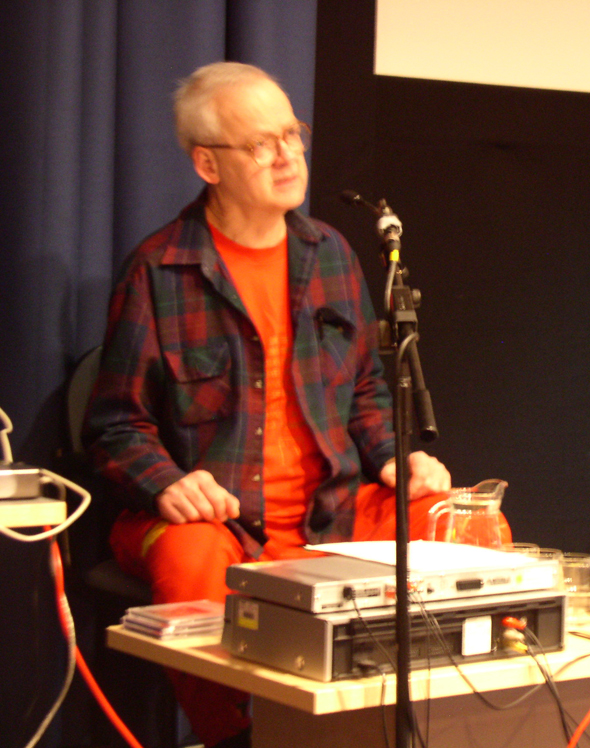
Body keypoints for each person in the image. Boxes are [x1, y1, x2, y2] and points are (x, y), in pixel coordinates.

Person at [84, 61, 510, 748]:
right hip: (220, 524)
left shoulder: (333, 255)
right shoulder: (158, 269)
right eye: (261, 143)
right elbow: (113, 426)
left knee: (460, 521)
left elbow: (366, 389)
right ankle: (243, 737)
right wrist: (168, 483)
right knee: (192, 556)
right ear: (207, 163)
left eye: (292, 134)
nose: (287, 155)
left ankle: (443, 723)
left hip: (331, 511)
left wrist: (397, 461)